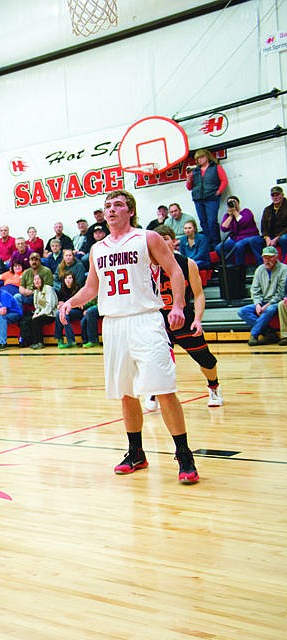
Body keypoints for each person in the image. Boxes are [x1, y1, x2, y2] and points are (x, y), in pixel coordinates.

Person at [58, 190, 199, 484]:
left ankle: (184, 454)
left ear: (130, 211)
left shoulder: (147, 238)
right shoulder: (98, 249)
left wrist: (178, 305)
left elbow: (175, 271)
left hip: (145, 319)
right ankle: (136, 452)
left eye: (118, 205)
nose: (111, 210)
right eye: (107, 206)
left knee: (163, 388)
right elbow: (91, 288)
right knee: (125, 392)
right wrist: (71, 302)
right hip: (114, 324)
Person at [143, 226, 223, 409]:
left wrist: (198, 319)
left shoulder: (187, 263)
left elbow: (199, 294)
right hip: (159, 322)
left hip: (184, 319)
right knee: (156, 360)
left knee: (206, 359)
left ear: (174, 241)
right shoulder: (146, 267)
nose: (162, 243)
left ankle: (214, 388)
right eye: (158, 239)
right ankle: (154, 392)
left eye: (165, 238)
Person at [237, 246, 287, 345]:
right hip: (262, 301)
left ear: (276, 257)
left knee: (269, 310)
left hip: (276, 302)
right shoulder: (260, 269)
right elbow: (255, 290)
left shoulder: (284, 269)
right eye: (265, 257)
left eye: (270, 257)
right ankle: (268, 332)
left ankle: (254, 335)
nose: (267, 260)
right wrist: (257, 304)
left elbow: (281, 292)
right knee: (242, 311)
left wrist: (267, 304)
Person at [185, 148, 228, 247]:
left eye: (202, 157)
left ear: (207, 157)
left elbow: (224, 181)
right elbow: (189, 187)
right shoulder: (195, 171)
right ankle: (208, 244)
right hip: (198, 199)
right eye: (198, 158)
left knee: (212, 222)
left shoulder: (216, 167)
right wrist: (188, 178)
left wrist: (218, 192)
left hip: (211, 198)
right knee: (203, 223)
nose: (200, 160)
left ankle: (216, 244)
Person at [214, 196, 261, 266]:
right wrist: (230, 216)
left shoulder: (246, 212)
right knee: (219, 248)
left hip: (249, 237)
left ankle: (240, 268)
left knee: (238, 245)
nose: (232, 204)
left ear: (238, 203)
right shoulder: (228, 216)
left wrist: (235, 212)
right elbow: (224, 228)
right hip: (235, 239)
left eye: (233, 202)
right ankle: (231, 267)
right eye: (229, 203)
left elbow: (243, 222)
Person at [19, 273, 57, 349]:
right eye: (35, 279)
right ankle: (29, 341)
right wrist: (35, 314)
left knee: (36, 321)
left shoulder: (48, 289)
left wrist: (38, 315)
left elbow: (50, 306)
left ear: (42, 280)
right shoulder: (36, 291)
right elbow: (37, 307)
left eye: (38, 279)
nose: (37, 281)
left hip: (51, 314)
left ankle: (40, 342)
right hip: (41, 313)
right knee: (26, 321)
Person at [250, 185, 287, 259]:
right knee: (253, 241)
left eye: (277, 195)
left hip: (283, 234)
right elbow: (263, 226)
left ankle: (284, 264)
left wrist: (277, 238)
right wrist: (267, 238)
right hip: (270, 235)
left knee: (283, 239)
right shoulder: (267, 209)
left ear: (282, 195)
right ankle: (263, 264)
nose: (275, 197)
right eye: (273, 195)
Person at [54, 272, 83, 348]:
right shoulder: (62, 290)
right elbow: (59, 304)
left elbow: (80, 305)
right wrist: (60, 305)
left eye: (70, 278)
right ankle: (60, 339)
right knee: (58, 313)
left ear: (73, 279)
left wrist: (67, 304)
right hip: (68, 311)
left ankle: (71, 341)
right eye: (66, 278)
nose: (68, 280)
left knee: (65, 314)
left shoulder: (77, 288)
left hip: (77, 312)